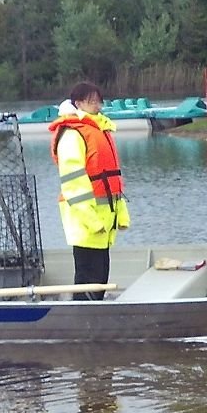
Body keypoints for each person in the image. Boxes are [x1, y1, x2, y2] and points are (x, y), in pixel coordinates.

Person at [48, 82, 130, 300]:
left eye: (98, 100)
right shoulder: (72, 134)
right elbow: (74, 185)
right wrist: (92, 221)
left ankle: (94, 312)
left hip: (103, 222)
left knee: (100, 277)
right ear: (78, 103)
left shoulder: (98, 129)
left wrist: (121, 215)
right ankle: (83, 314)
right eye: (91, 101)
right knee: (87, 278)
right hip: (86, 223)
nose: (97, 105)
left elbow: (113, 182)